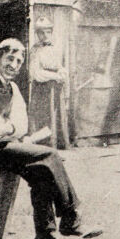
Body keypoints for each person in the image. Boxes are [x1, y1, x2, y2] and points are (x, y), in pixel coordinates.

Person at [0, 38, 99, 239]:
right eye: (10, 59)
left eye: (18, 62)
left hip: (2, 147)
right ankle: (70, 218)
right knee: (49, 155)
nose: (14, 65)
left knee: (40, 173)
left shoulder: (13, 89)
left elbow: (22, 125)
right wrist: (11, 129)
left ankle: (45, 235)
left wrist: (8, 128)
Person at [28, 17, 69, 149]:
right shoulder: (35, 50)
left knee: (56, 115)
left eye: (48, 32)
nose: (45, 35)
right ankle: (45, 145)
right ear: (37, 34)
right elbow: (36, 73)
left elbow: (58, 65)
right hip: (42, 88)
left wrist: (62, 72)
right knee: (44, 116)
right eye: (41, 33)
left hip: (55, 88)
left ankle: (58, 145)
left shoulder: (54, 47)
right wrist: (55, 76)